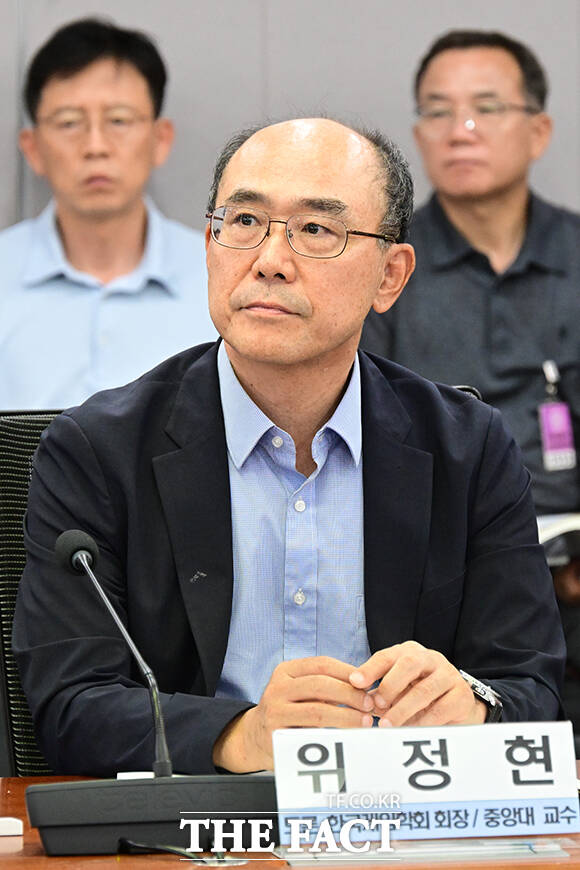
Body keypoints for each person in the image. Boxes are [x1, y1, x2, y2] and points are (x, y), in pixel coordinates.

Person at [13, 118, 564, 777]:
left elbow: (530, 689)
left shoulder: (468, 450)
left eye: (316, 229)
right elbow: (70, 705)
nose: (270, 259)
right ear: (210, 243)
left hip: (404, 812)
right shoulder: (97, 451)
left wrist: (470, 709)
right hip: (200, 820)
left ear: (390, 276)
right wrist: (244, 735)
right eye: (245, 221)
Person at [360, 29, 580, 733]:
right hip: (446, 584)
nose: (461, 130)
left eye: (486, 108)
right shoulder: (384, 271)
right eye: (438, 111)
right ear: (418, 136)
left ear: (539, 131)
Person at [0, 18, 215, 410]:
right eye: (69, 123)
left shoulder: (218, 275)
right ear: (32, 149)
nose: (95, 146)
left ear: (160, 139)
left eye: (118, 120)